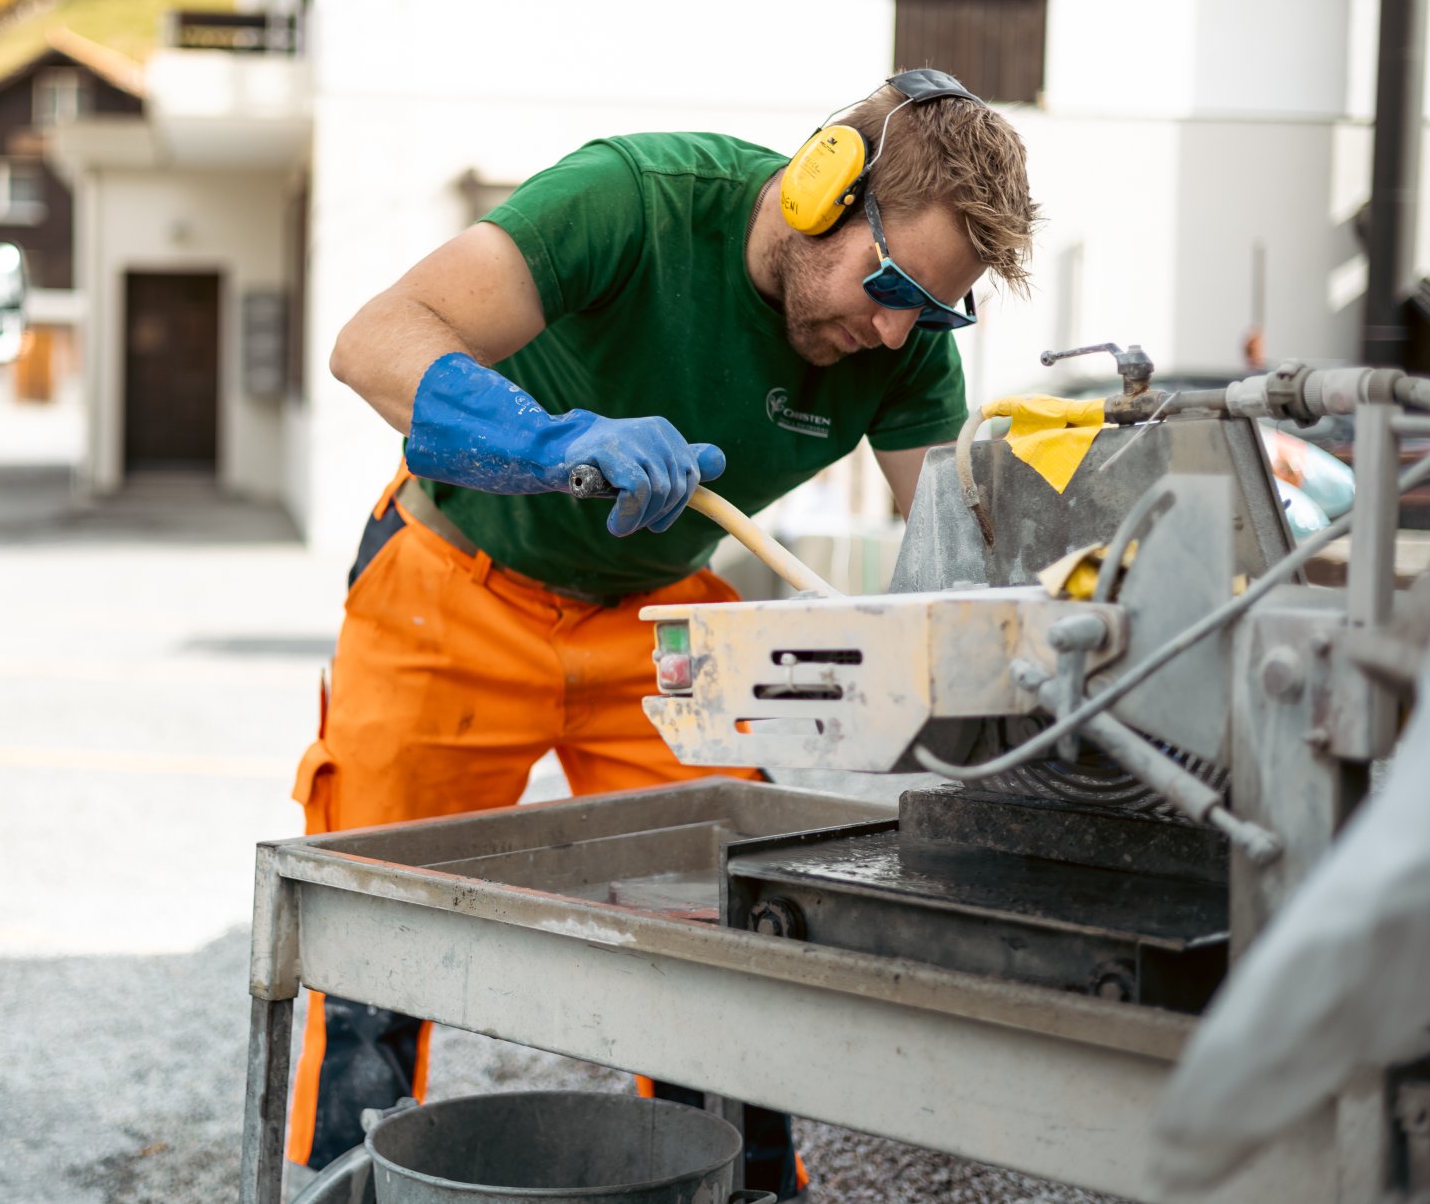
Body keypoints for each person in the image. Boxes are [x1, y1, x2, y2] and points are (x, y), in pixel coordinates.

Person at [286, 68, 1039, 1198]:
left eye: (929, 309)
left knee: (732, 928)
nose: (892, 329)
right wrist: (542, 442)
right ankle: (336, 1183)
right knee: (369, 936)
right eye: (888, 284)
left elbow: (958, 561)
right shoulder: (633, 200)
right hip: (450, 584)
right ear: (818, 189)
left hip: (652, 617)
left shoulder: (899, 345)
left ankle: (742, 1185)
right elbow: (374, 338)